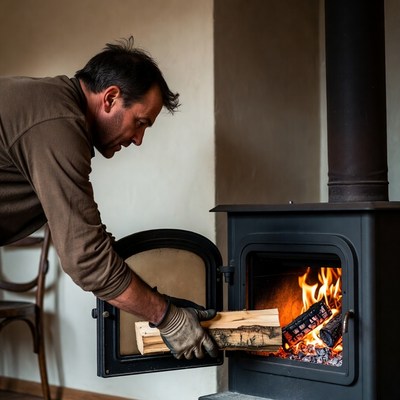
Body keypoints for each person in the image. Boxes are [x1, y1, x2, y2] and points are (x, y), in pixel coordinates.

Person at [0, 37, 218, 360]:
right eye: (140, 122)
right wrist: (168, 317)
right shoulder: (59, 125)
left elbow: (88, 240)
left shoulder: (56, 109)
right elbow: (86, 259)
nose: (139, 139)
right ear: (111, 98)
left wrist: (157, 300)